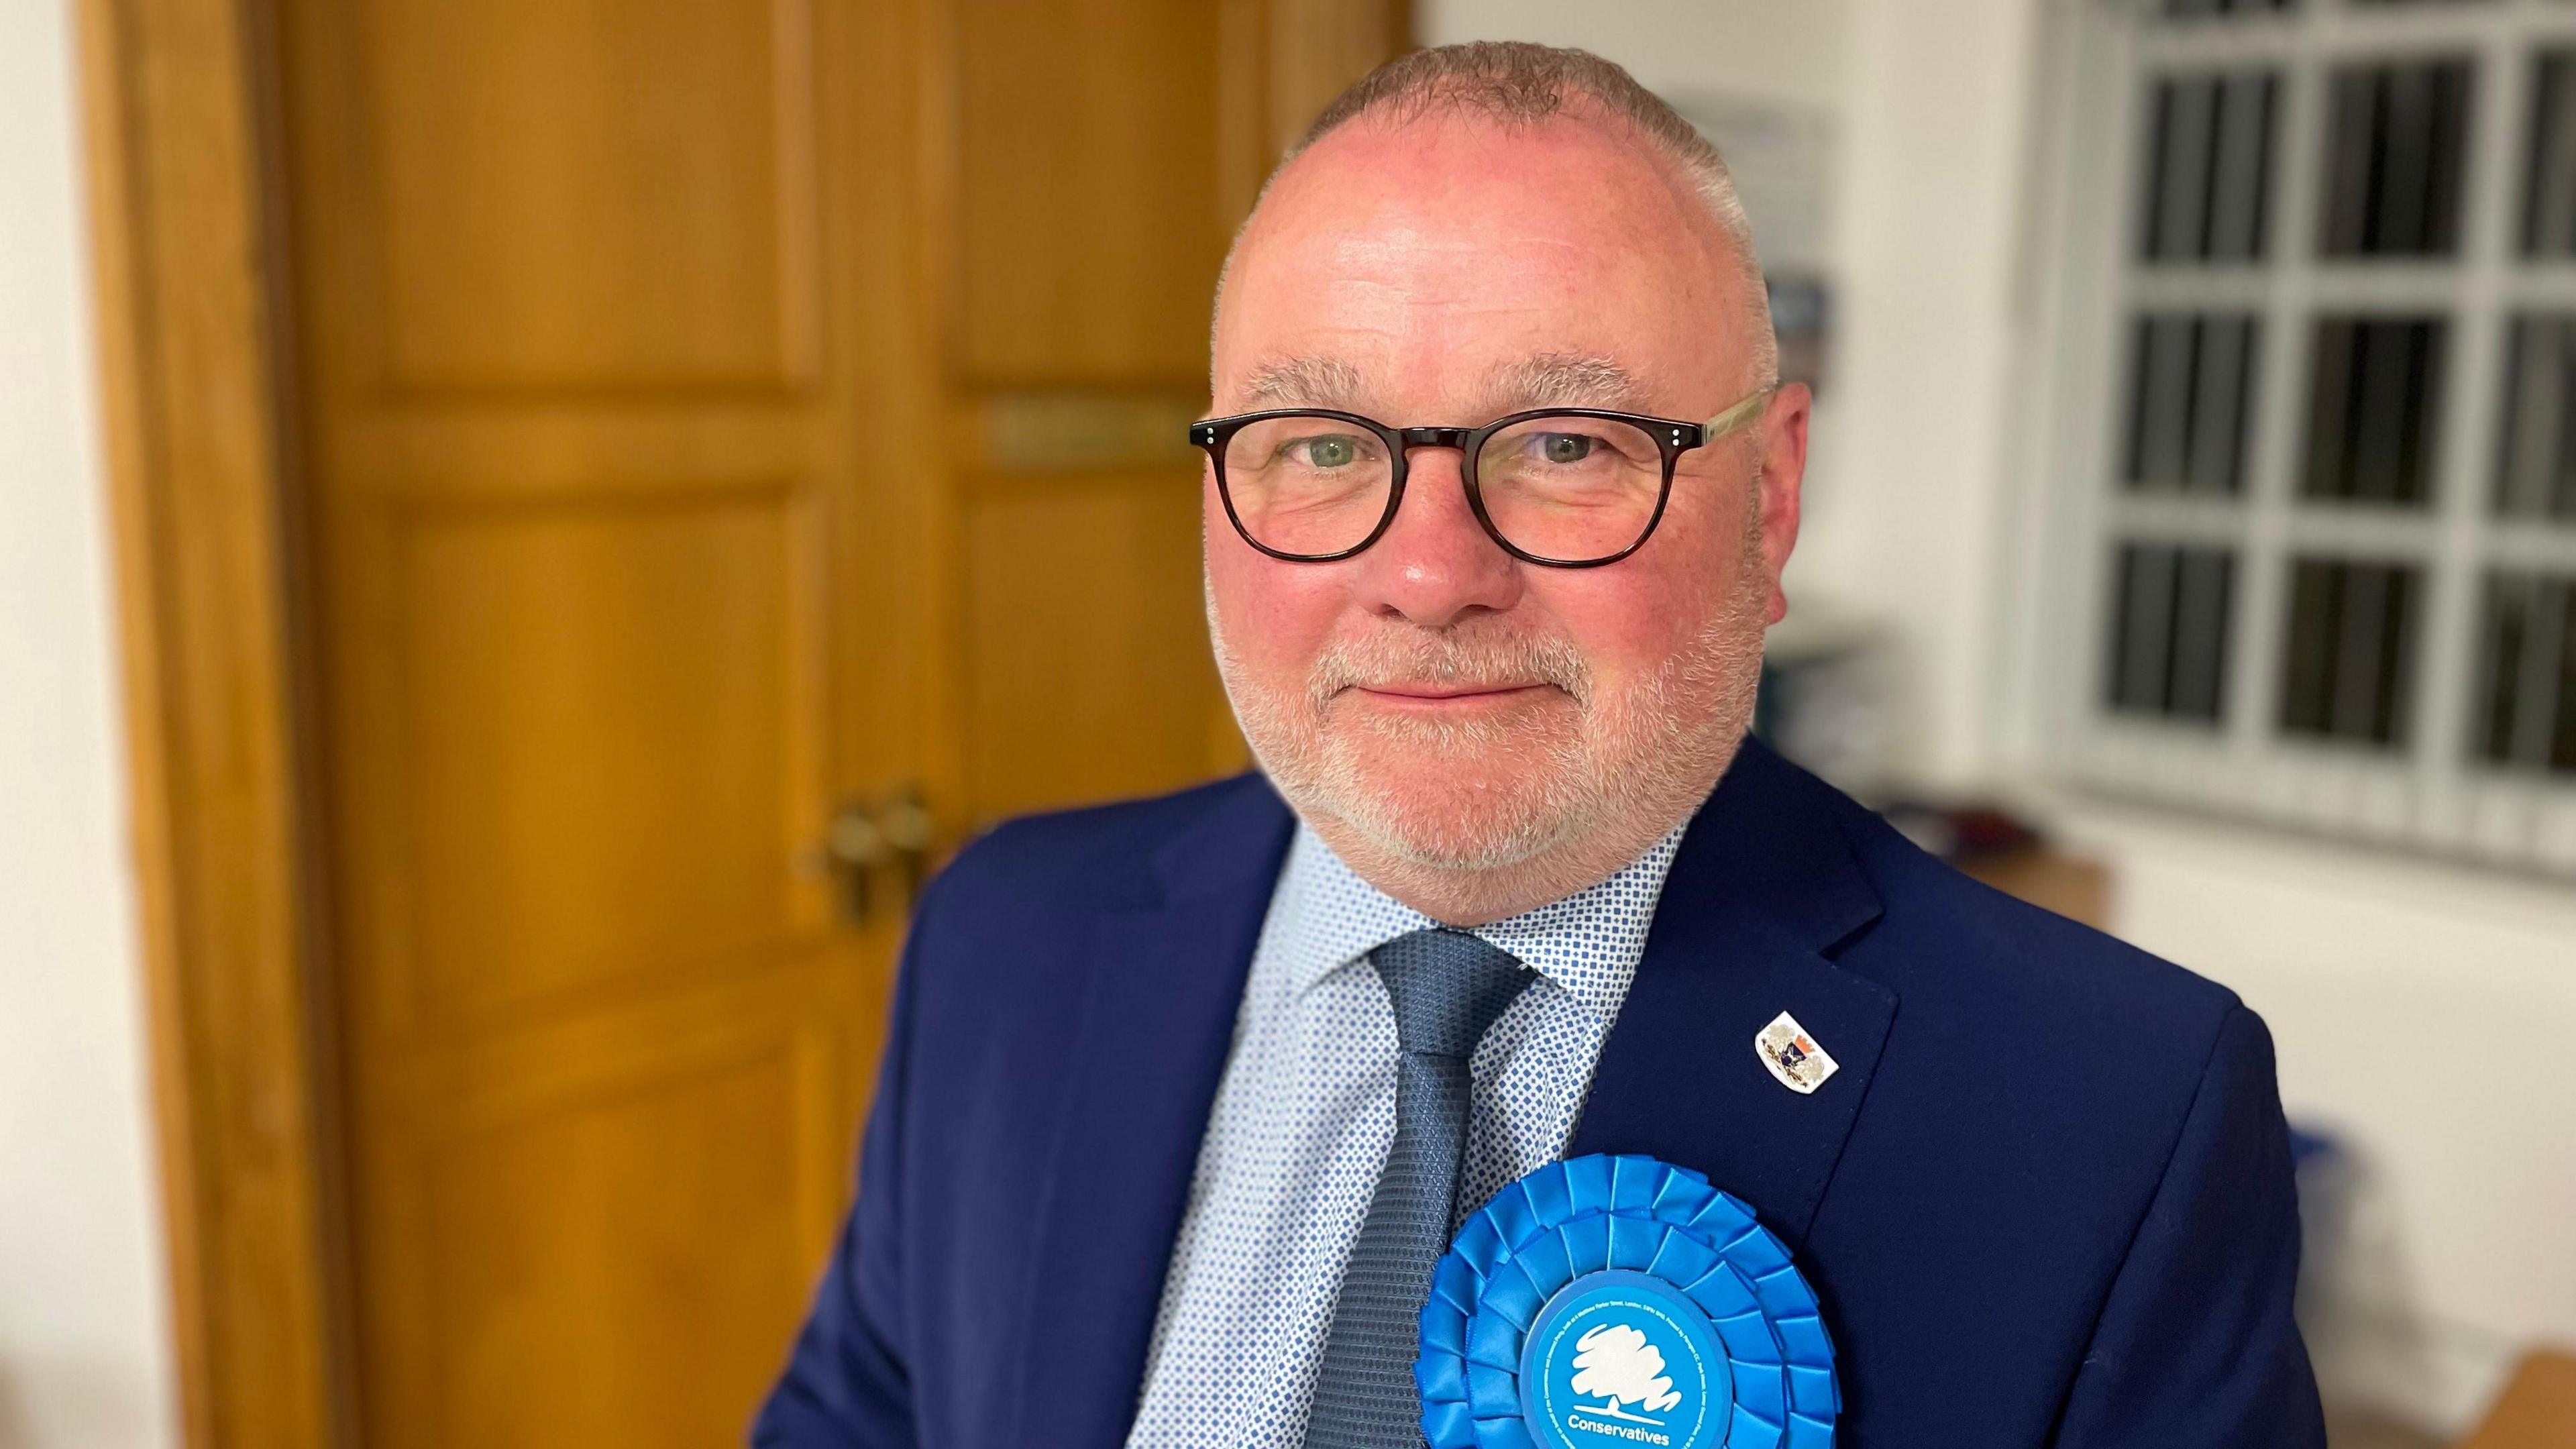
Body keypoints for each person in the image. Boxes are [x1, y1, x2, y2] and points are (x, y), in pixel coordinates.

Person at [755, 42, 2324, 1449]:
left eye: (1568, 445)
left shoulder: (2115, 1119)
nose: (1430, 577)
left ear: (1770, 497)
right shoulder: (1002, 936)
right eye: (1318, 444)